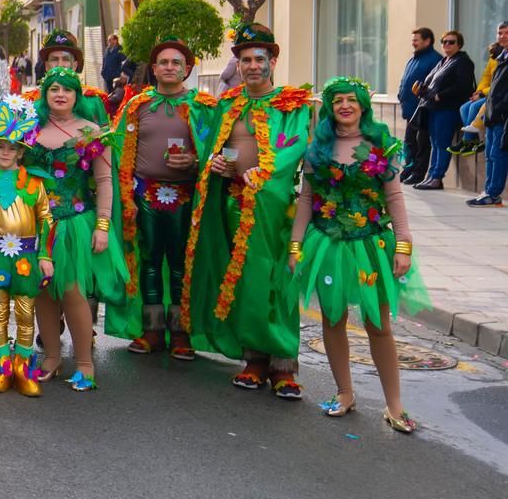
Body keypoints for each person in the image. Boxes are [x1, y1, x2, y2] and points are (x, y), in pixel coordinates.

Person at [288, 78, 427, 433]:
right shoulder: (317, 147)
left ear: (363, 105)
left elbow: (394, 197)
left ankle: (394, 405)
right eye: (338, 101)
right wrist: (296, 245)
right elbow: (306, 199)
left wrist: (404, 245)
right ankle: (345, 393)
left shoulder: (380, 142)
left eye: (352, 100)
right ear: (330, 107)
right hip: (328, 245)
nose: (345, 106)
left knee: (378, 325)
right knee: (332, 319)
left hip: (371, 246)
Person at [183, 23, 313, 399]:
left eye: (259, 59)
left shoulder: (293, 104)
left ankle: (285, 365)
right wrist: (217, 166)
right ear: (237, 65)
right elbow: (214, 148)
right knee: (243, 282)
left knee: (278, 282)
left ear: (273, 60)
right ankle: (254, 360)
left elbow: (294, 149)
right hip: (233, 204)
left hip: (276, 208)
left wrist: (267, 174)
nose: (253, 66)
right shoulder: (229, 104)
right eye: (245, 60)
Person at [106, 38, 217, 358]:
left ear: (187, 69)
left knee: (183, 266)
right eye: (163, 63)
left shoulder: (204, 108)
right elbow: (115, 148)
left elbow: (216, 150)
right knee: (150, 262)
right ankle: (152, 330)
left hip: (186, 197)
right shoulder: (135, 105)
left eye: (176, 63)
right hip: (144, 195)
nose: (169, 67)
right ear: (153, 69)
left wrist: (196, 163)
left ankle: (181, 333)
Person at [30, 67, 129, 392]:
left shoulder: (92, 132)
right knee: (43, 293)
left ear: (77, 95)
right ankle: (52, 358)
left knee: (72, 293)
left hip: (74, 224)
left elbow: (103, 182)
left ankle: (84, 363)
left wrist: (102, 226)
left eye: (67, 89)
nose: (60, 94)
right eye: (54, 88)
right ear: (45, 93)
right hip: (38, 224)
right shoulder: (31, 130)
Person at [0, 94, 53, 397]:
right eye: (0, 146)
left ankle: (24, 369)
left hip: (27, 257)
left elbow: (47, 219)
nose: (6, 152)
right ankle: (1, 369)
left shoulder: (33, 183)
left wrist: (45, 255)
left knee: (26, 312)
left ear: (21, 152)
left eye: (12, 147)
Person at [413, 30, 474, 190]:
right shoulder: (444, 61)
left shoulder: (462, 61)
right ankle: (431, 175)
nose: (447, 44)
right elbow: (432, 81)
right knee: (435, 143)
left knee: (442, 143)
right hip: (432, 107)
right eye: (444, 41)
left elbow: (463, 86)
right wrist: (422, 90)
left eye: (451, 42)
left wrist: (440, 95)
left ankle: (437, 177)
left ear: (459, 44)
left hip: (447, 108)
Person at [28, 30, 110, 125]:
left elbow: (104, 138)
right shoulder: (30, 101)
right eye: (54, 59)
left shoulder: (93, 101)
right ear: (46, 66)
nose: (60, 65)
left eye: (66, 59)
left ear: (75, 65)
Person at [454, 23, 508, 154]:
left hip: (496, 99)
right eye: (500, 33)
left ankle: (468, 141)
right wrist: (479, 90)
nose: (503, 36)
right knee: (464, 107)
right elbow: (486, 76)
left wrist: (482, 93)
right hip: (489, 94)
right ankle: (475, 141)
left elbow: (500, 85)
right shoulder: (497, 55)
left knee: (473, 107)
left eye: (506, 33)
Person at [469, 37, 508, 207]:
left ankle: (494, 193)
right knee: (490, 155)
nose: (503, 36)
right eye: (500, 33)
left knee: (498, 155)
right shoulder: (501, 57)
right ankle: (488, 190)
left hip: (502, 116)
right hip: (493, 114)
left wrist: (500, 108)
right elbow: (494, 89)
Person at [398, 28, 441, 183]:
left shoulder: (435, 59)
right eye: (413, 40)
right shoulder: (414, 59)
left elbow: (434, 84)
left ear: (427, 41)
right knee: (409, 142)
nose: (413, 43)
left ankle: (418, 174)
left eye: (416, 40)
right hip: (410, 110)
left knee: (421, 143)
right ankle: (408, 170)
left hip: (423, 110)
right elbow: (405, 79)